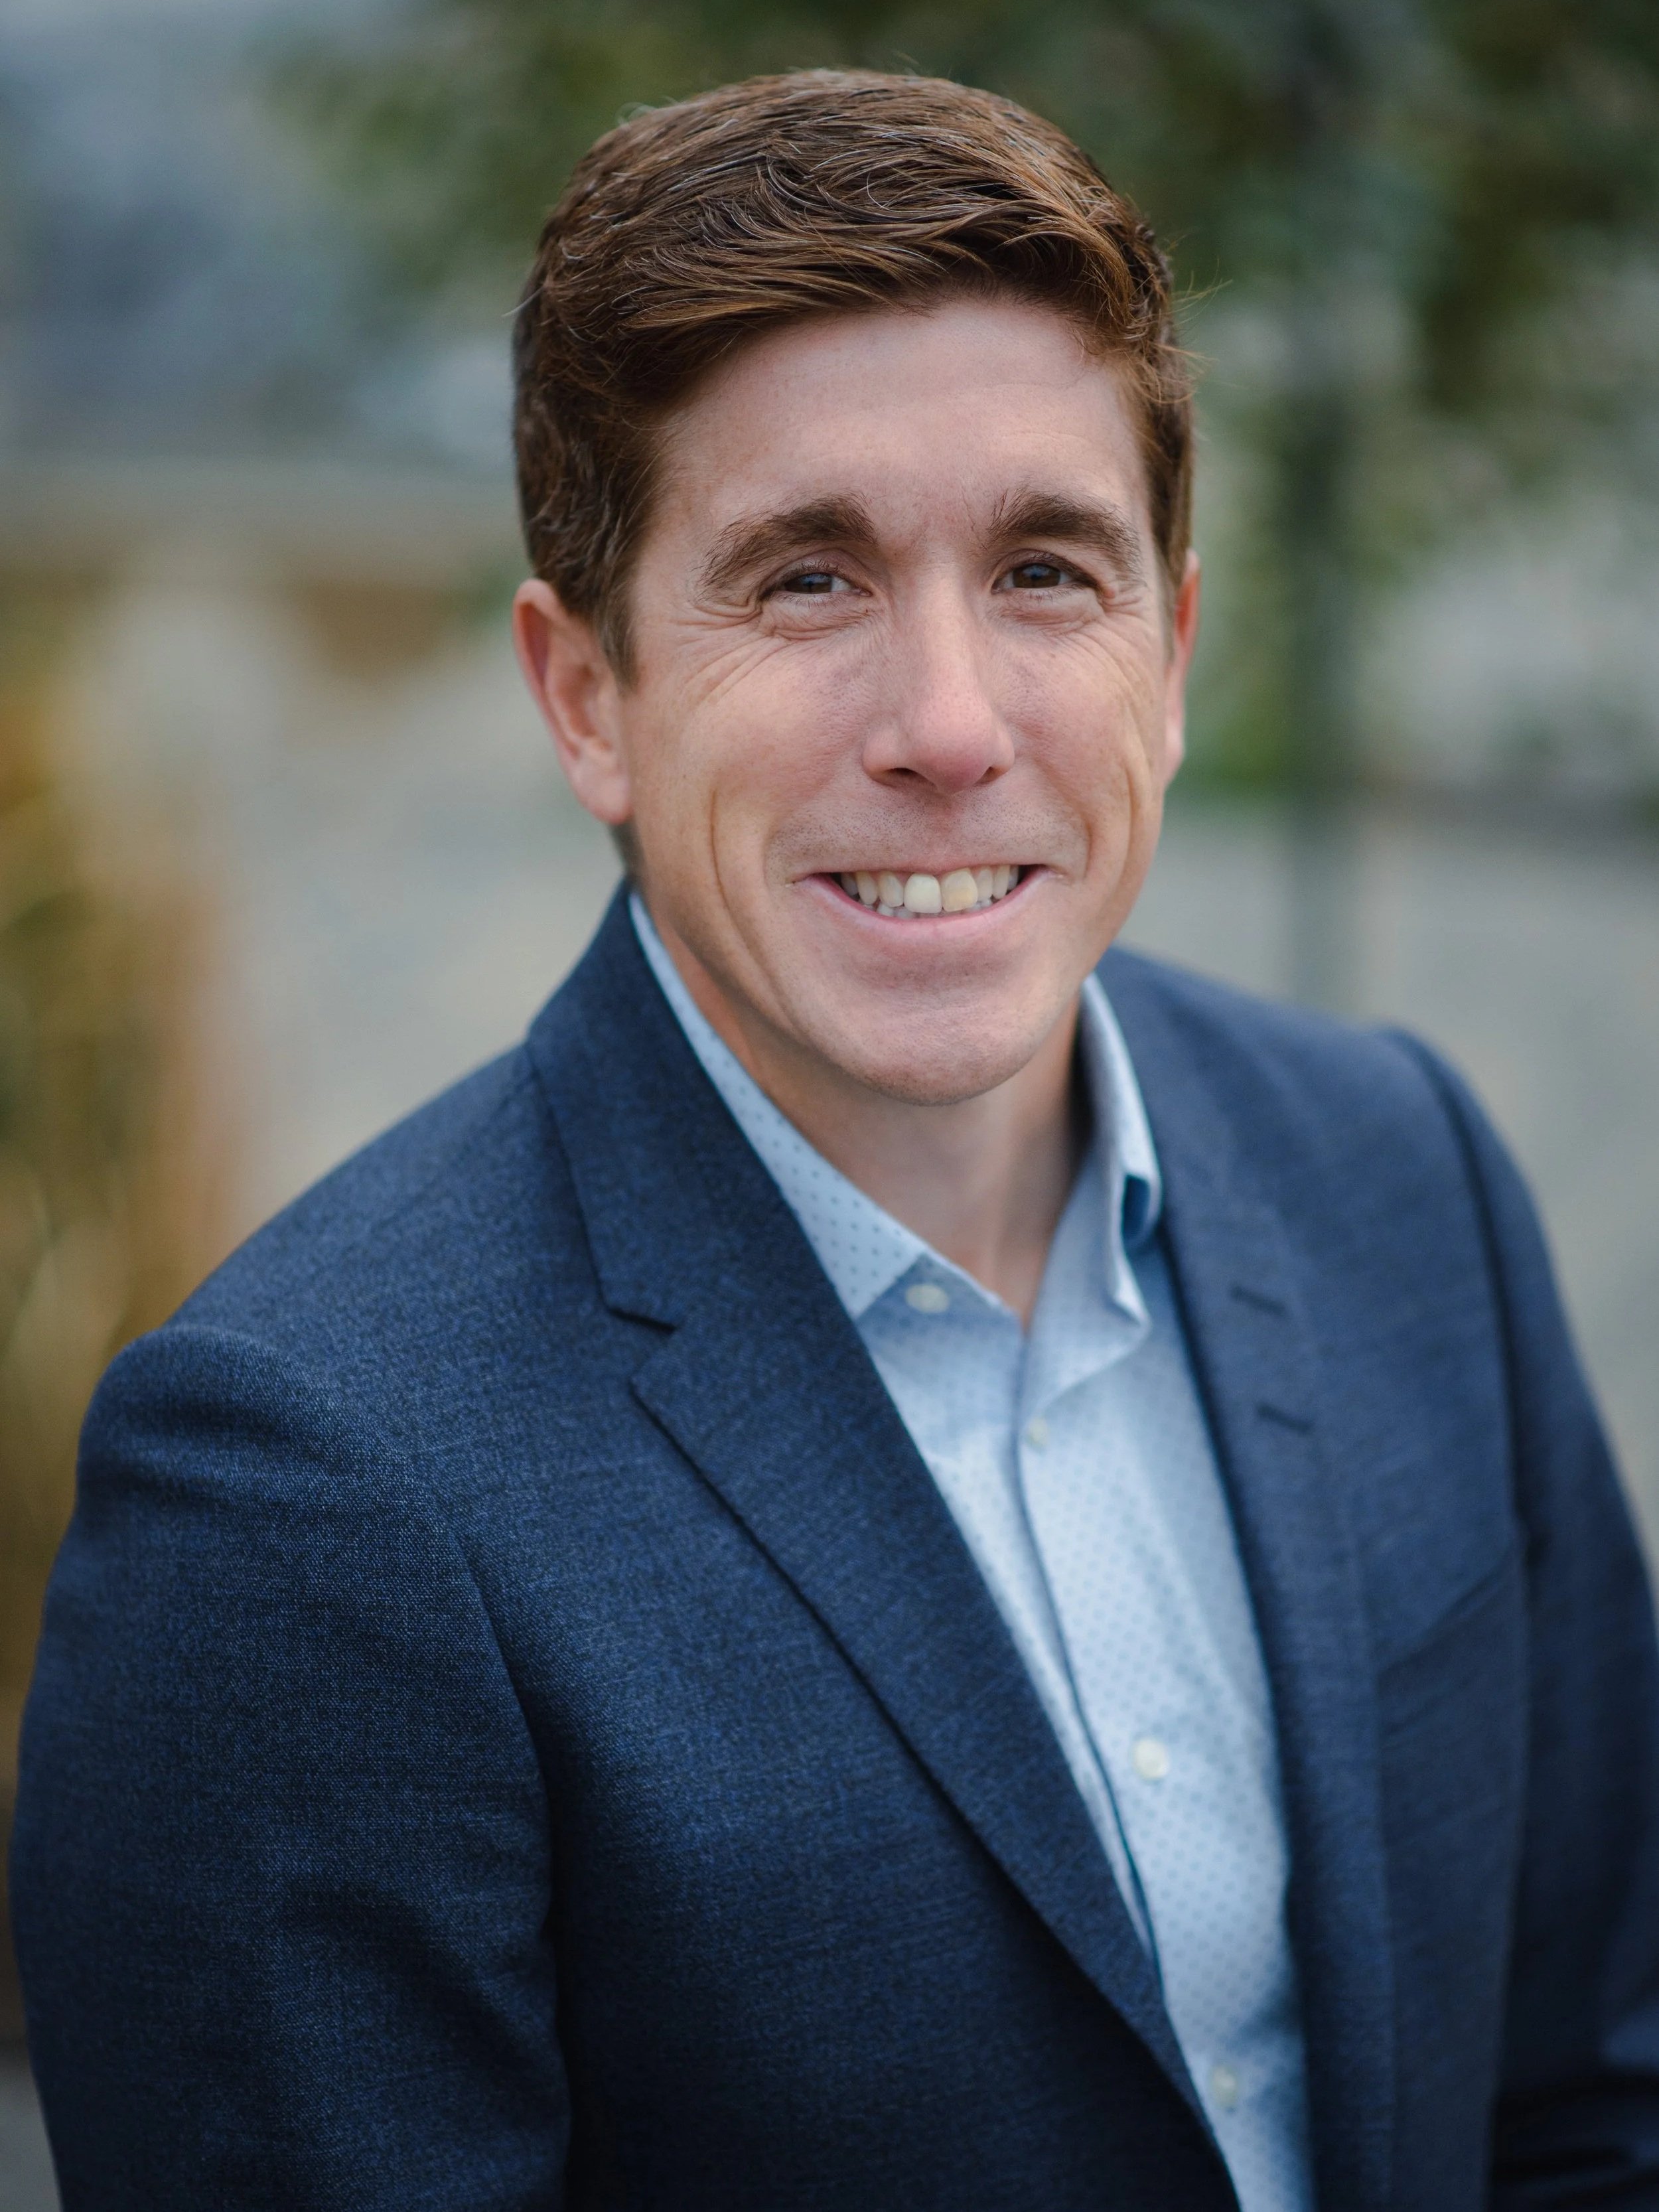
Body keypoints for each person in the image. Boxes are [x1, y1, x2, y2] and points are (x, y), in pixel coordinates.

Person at [13, 68, 1659, 2212]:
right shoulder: (302, 1483)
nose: (950, 727)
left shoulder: (1400, 1175)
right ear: (586, 697)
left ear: (1170, 651)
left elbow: (1593, 2100)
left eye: (1045, 571)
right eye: (805, 580)